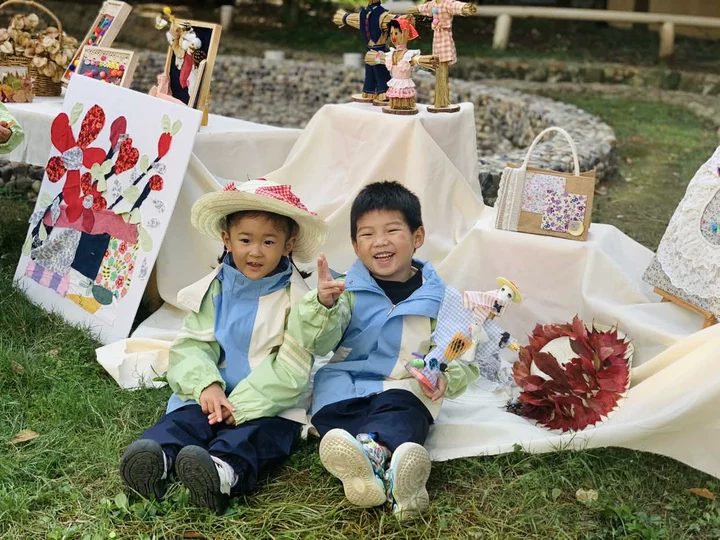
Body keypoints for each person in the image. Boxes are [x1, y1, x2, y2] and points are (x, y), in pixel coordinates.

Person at [120, 179, 327, 513]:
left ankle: (220, 473)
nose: (255, 251)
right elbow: (192, 344)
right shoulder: (215, 289)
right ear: (227, 240)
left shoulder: (297, 301)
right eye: (245, 240)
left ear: (287, 245)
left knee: (253, 436)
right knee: (186, 419)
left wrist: (240, 407)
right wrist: (207, 385)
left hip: (272, 402)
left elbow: (292, 367)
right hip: (216, 394)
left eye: (268, 241)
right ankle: (157, 458)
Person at [291, 181, 477, 520]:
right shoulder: (345, 291)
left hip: (402, 386)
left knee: (405, 414)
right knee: (333, 419)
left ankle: (375, 462)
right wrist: (322, 307)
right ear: (355, 245)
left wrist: (445, 375)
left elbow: (457, 351)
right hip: (346, 385)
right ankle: (394, 477)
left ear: (418, 237)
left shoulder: (441, 299)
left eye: (392, 230)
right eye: (367, 234)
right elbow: (318, 343)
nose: (380, 241)